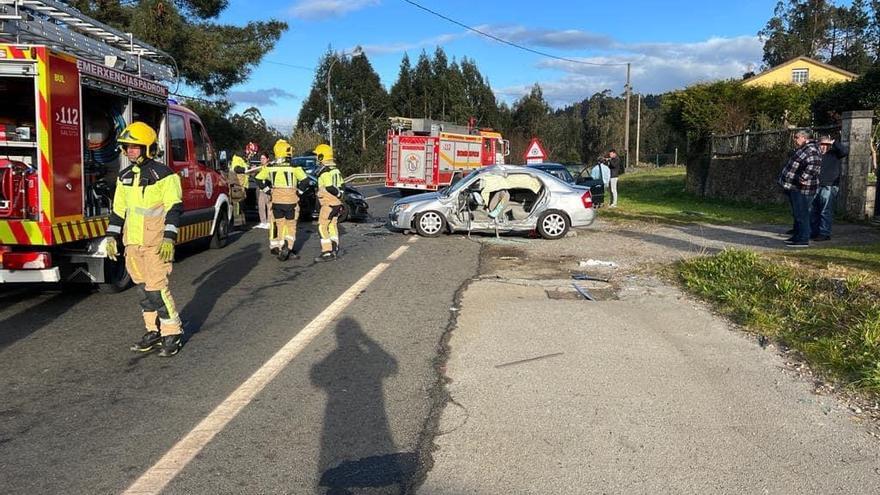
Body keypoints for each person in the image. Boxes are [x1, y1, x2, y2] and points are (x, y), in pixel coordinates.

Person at [105, 121, 184, 357]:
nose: (130, 150)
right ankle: (153, 330)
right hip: (133, 244)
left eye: (135, 147)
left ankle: (173, 332)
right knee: (143, 291)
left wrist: (169, 238)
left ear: (148, 147)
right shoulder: (124, 177)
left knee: (157, 290)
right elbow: (119, 211)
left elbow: (174, 208)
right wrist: (111, 236)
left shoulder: (165, 175)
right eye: (127, 146)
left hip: (156, 244)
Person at [256, 139, 308, 261]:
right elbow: (305, 181)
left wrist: (268, 191)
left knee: (279, 225)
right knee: (291, 226)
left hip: (276, 201)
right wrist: (298, 192)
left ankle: (280, 247)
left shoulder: (270, 167)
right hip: (291, 201)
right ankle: (288, 248)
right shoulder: (294, 167)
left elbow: (258, 179)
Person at [777, 130, 822, 248]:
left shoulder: (811, 149)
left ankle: (803, 239)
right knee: (798, 213)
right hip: (795, 187)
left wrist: (803, 178)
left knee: (802, 214)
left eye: (796, 137)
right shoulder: (805, 148)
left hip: (803, 188)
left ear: (804, 137)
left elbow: (814, 164)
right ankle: (797, 236)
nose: (795, 140)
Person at [810, 135, 848, 241]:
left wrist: (833, 142)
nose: (823, 147)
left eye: (825, 145)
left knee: (825, 210)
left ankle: (824, 232)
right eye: (821, 145)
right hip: (815, 185)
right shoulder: (815, 154)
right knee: (813, 210)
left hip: (829, 186)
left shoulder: (834, 154)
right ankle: (814, 231)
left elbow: (844, 151)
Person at [313, 143, 344, 262]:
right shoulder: (336, 170)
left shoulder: (324, 172)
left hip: (328, 204)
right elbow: (342, 185)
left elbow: (330, 187)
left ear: (321, 157)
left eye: (317, 156)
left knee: (322, 227)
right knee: (332, 225)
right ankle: (335, 247)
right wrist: (340, 197)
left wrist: (338, 194)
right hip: (336, 204)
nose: (316, 158)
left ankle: (327, 252)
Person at [230, 154, 249, 229]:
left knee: (241, 206)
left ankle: (242, 224)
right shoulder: (237, 159)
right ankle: (238, 225)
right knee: (238, 207)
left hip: (241, 186)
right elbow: (236, 168)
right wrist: (245, 169)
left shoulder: (241, 159)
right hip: (237, 187)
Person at [255, 151, 271, 229]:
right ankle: (263, 222)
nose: (262, 160)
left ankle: (269, 222)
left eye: (263, 158)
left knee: (269, 205)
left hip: (268, 188)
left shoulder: (270, 167)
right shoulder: (259, 167)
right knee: (261, 206)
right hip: (261, 189)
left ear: (267, 159)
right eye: (261, 158)